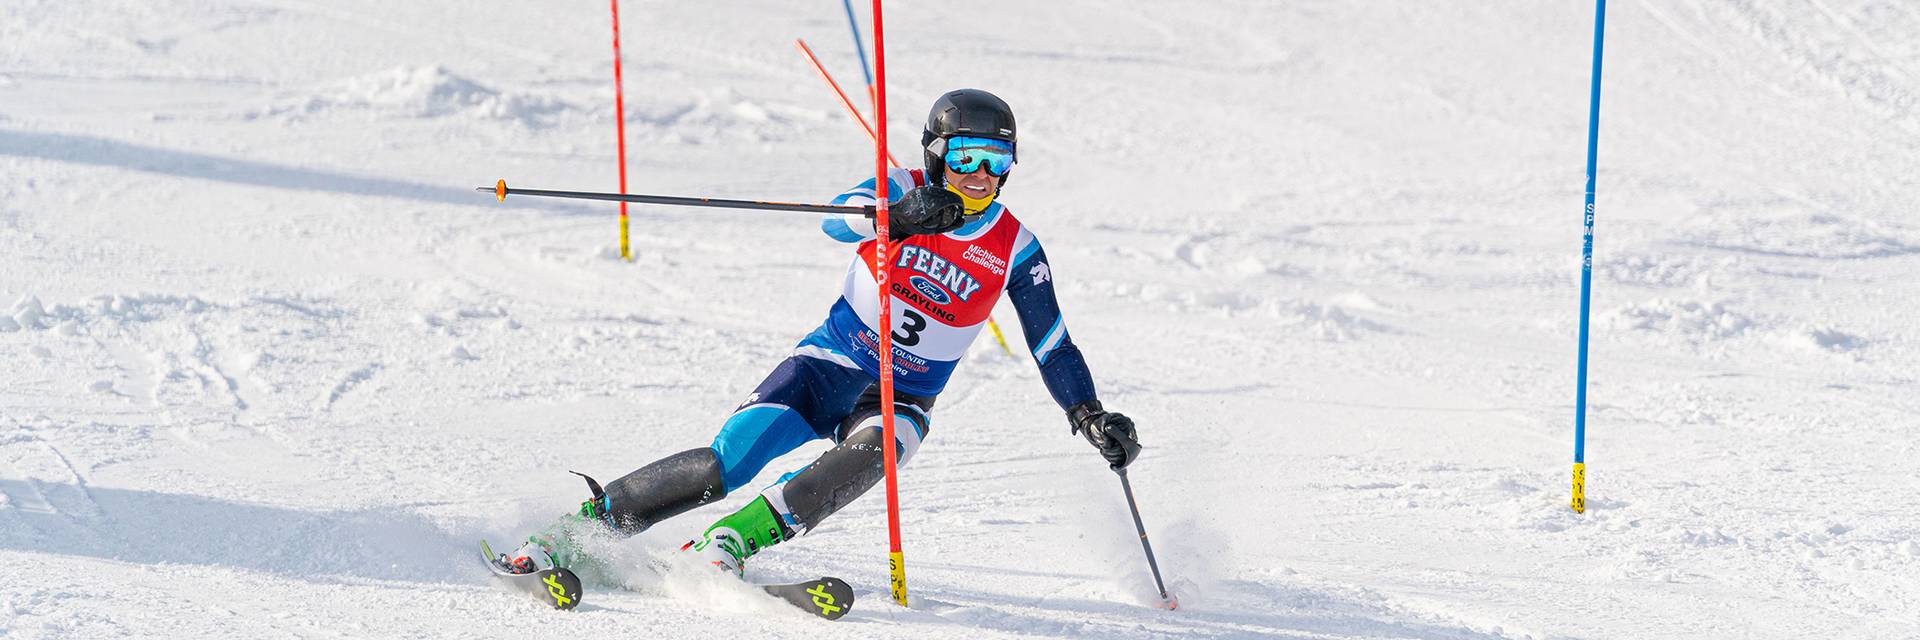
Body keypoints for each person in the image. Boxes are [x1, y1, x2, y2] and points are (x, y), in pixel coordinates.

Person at [496, 88, 1141, 577]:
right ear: (936, 157)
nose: (980, 174)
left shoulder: (1016, 247)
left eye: (996, 159)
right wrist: (898, 219)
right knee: (728, 460)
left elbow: (1052, 343)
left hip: (903, 394)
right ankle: (573, 533)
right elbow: (835, 221)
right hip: (826, 363)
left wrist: (1088, 414)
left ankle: (726, 545)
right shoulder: (900, 189)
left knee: (877, 451)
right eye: (966, 156)